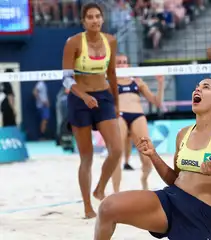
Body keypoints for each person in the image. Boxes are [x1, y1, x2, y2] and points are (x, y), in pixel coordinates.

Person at [94, 78, 211, 240]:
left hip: (200, 215)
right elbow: (174, 180)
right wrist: (154, 155)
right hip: (171, 200)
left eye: (205, 87)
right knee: (107, 208)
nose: (197, 90)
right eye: (196, 87)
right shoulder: (183, 133)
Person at [62, 2, 122, 219]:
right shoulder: (74, 42)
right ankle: (88, 206)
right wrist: (84, 96)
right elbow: (67, 80)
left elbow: (112, 73)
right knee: (86, 157)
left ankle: (100, 188)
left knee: (117, 150)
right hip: (79, 100)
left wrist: (116, 103)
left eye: (98, 16)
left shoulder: (111, 41)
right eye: (90, 17)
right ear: (83, 21)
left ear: (102, 19)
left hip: (104, 97)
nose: (95, 20)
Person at [111, 54, 165, 193]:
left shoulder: (137, 81)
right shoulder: (110, 81)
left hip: (137, 115)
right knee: (117, 155)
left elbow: (157, 102)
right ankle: (116, 191)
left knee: (148, 156)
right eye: (119, 62)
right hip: (119, 115)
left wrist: (160, 83)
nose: (122, 64)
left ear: (128, 65)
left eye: (124, 62)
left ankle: (144, 179)